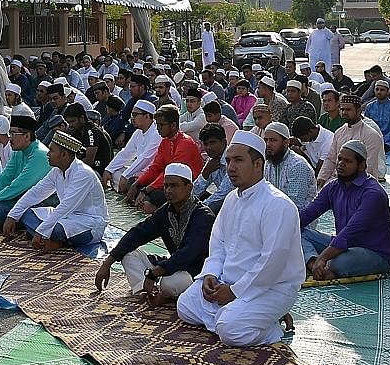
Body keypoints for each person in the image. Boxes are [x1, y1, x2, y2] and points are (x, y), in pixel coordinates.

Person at [176, 130, 306, 347]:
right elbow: (218, 245)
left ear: (258, 165)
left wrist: (235, 292)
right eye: (228, 161)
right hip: (227, 283)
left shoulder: (278, 205)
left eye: (238, 160)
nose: (231, 168)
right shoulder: (231, 200)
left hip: (271, 288)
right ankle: (235, 316)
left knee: (230, 330)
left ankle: (271, 328)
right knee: (185, 306)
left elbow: (271, 263)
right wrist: (210, 274)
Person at [96, 163, 212, 306]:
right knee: (128, 255)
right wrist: (107, 263)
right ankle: (145, 292)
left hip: (196, 272)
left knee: (169, 283)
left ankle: (163, 293)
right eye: (166, 186)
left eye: (174, 186)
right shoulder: (166, 211)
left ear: (189, 188)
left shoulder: (203, 216)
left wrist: (155, 273)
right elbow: (138, 233)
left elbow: (188, 253)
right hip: (172, 265)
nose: (168, 190)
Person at [300, 140, 390, 279]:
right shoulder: (333, 187)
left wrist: (324, 258)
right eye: (339, 159)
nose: (340, 164)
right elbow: (307, 214)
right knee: (296, 233)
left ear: (361, 166)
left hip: (375, 253)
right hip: (344, 246)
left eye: (347, 161)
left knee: (337, 263)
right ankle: (315, 265)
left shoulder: (373, 193)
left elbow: (350, 232)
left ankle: (324, 267)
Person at [4, 130, 108, 250]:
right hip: (66, 217)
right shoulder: (56, 172)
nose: (48, 154)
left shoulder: (83, 174)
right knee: (26, 213)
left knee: (56, 230)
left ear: (64, 154)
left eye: (52, 150)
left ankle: (55, 240)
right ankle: (53, 240)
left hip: (88, 222)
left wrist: (41, 232)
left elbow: (66, 206)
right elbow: (36, 192)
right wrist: (12, 215)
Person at [0, 115, 51, 234]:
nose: (10, 138)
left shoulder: (39, 154)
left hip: (40, 199)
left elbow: (17, 186)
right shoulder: (18, 151)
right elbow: (4, 179)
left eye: (14, 134)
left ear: (27, 136)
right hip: (18, 195)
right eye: (10, 133)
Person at [131, 105, 204, 209]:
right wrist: (137, 183)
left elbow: (171, 174)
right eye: (157, 125)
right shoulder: (165, 141)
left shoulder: (185, 143)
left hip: (182, 186)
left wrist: (146, 190)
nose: (157, 128)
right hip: (168, 182)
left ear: (173, 125)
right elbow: (155, 167)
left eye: (161, 125)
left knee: (155, 195)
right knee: (134, 182)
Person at [317, 93, 386, 184]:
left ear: (359, 111)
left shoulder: (371, 135)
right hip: (339, 181)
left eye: (348, 109)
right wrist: (322, 177)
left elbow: (368, 167)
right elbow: (331, 158)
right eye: (342, 109)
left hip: (363, 185)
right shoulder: (339, 132)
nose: (344, 112)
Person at [103, 99, 160, 193]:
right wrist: (108, 170)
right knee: (115, 172)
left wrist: (126, 175)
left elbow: (145, 159)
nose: (132, 119)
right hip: (138, 171)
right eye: (132, 115)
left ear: (147, 116)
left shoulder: (157, 133)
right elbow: (126, 153)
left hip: (151, 174)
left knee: (128, 179)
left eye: (135, 115)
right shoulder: (138, 133)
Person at [261, 123, 316, 209]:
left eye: (273, 140)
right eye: (266, 140)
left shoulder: (297, 165)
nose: (268, 144)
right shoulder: (268, 164)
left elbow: (296, 204)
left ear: (286, 142)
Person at [192, 124, 234, 212]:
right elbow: (194, 192)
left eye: (212, 143)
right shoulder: (211, 161)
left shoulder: (232, 160)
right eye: (206, 144)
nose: (208, 148)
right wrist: (205, 173)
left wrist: (198, 211)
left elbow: (223, 194)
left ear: (224, 142)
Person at [62, 102, 113, 174]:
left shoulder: (92, 132)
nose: (70, 125)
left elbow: (89, 161)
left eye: (72, 121)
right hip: (84, 169)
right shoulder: (75, 131)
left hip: (98, 170)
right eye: (68, 122)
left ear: (82, 118)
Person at [363, 79, 390, 154]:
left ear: (388, 92)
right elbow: (366, 127)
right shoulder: (369, 107)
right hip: (372, 141)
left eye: (382, 90)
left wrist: (381, 140)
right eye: (377, 89)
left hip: (389, 142)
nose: (379, 92)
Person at [291, 115, 334, 182]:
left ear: (310, 131)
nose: (302, 141)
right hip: (310, 165)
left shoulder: (328, 141)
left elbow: (320, 170)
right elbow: (293, 140)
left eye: (303, 138)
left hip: (323, 174)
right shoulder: (309, 134)